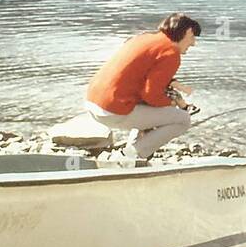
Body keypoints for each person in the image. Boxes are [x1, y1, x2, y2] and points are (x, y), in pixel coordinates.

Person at [85, 13, 201, 162]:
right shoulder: (170, 52)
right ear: (187, 33)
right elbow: (151, 95)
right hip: (112, 110)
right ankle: (127, 157)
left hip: (93, 101)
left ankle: (132, 150)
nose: (193, 44)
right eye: (193, 38)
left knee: (155, 108)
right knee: (182, 119)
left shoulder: (144, 38)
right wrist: (174, 104)